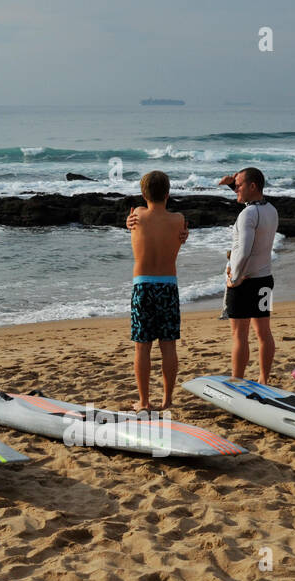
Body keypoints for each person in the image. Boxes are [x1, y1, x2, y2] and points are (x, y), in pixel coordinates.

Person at [125, 170, 187, 412]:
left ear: (143, 194)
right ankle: (167, 400)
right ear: (168, 194)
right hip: (168, 285)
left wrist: (127, 221)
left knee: (143, 346)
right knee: (168, 345)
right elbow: (179, 235)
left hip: (143, 286)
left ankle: (143, 401)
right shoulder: (179, 220)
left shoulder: (137, 215)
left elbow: (133, 223)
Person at [217, 167, 278, 383]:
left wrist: (235, 278)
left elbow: (244, 250)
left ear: (252, 186)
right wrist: (231, 184)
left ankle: (237, 380)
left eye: (239, 185)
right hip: (265, 280)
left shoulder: (247, 214)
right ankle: (263, 379)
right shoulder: (270, 209)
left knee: (239, 336)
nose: (236, 189)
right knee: (264, 333)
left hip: (245, 282)